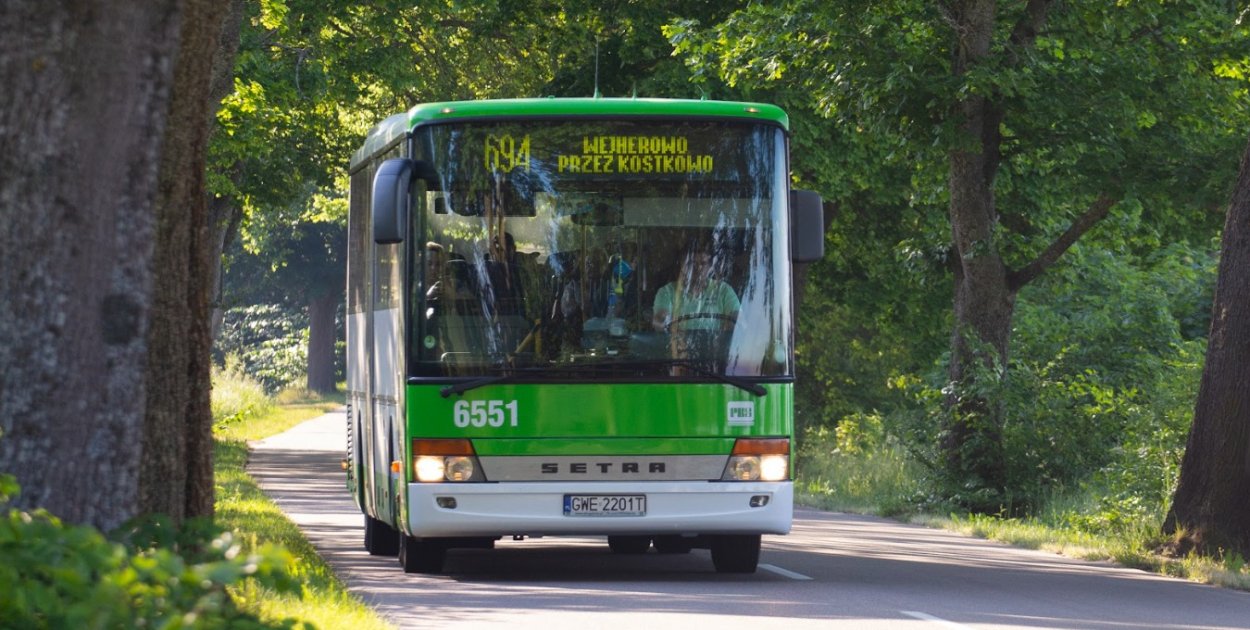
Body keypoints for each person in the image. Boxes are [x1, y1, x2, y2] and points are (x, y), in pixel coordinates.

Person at [651, 247, 740, 334]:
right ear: (682, 266)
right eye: (691, 264)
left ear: (709, 267)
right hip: (679, 346)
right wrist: (662, 321)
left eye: (703, 263)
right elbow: (660, 319)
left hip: (718, 347)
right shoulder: (667, 292)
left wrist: (731, 329)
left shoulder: (723, 290)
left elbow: (738, 321)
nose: (698, 268)